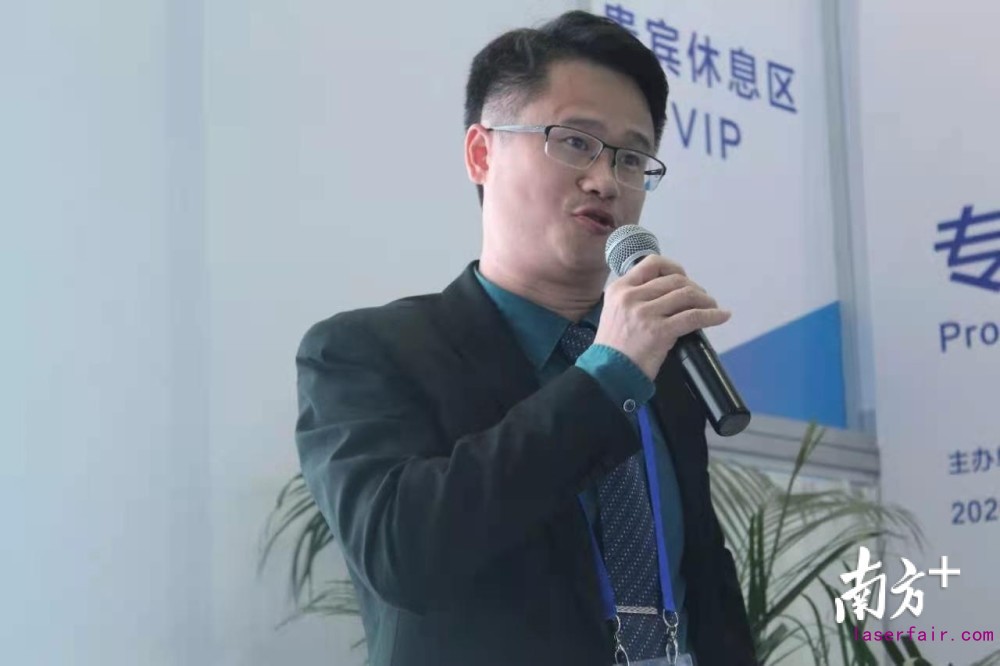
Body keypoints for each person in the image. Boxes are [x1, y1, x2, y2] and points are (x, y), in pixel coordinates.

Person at [295, 10, 757, 666]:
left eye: (631, 158)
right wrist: (606, 375)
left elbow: (705, 579)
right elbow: (403, 555)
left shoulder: (664, 367)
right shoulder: (365, 351)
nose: (606, 180)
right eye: (575, 142)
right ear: (481, 153)